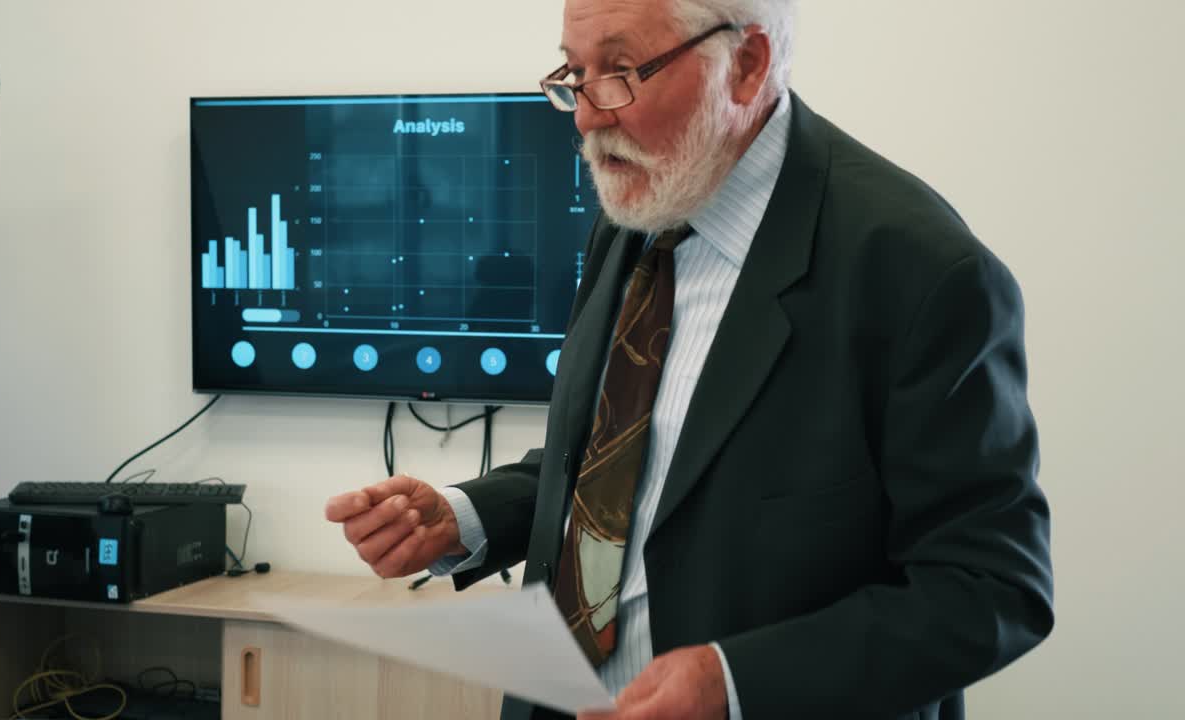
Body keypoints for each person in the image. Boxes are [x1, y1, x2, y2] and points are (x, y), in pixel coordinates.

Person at [325, 0, 1054, 717]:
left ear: (746, 64)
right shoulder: (632, 214)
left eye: (619, 70)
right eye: (575, 73)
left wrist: (738, 684)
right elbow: (620, 462)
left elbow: (991, 588)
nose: (585, 114)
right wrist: (466, 517)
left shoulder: (919, 271)